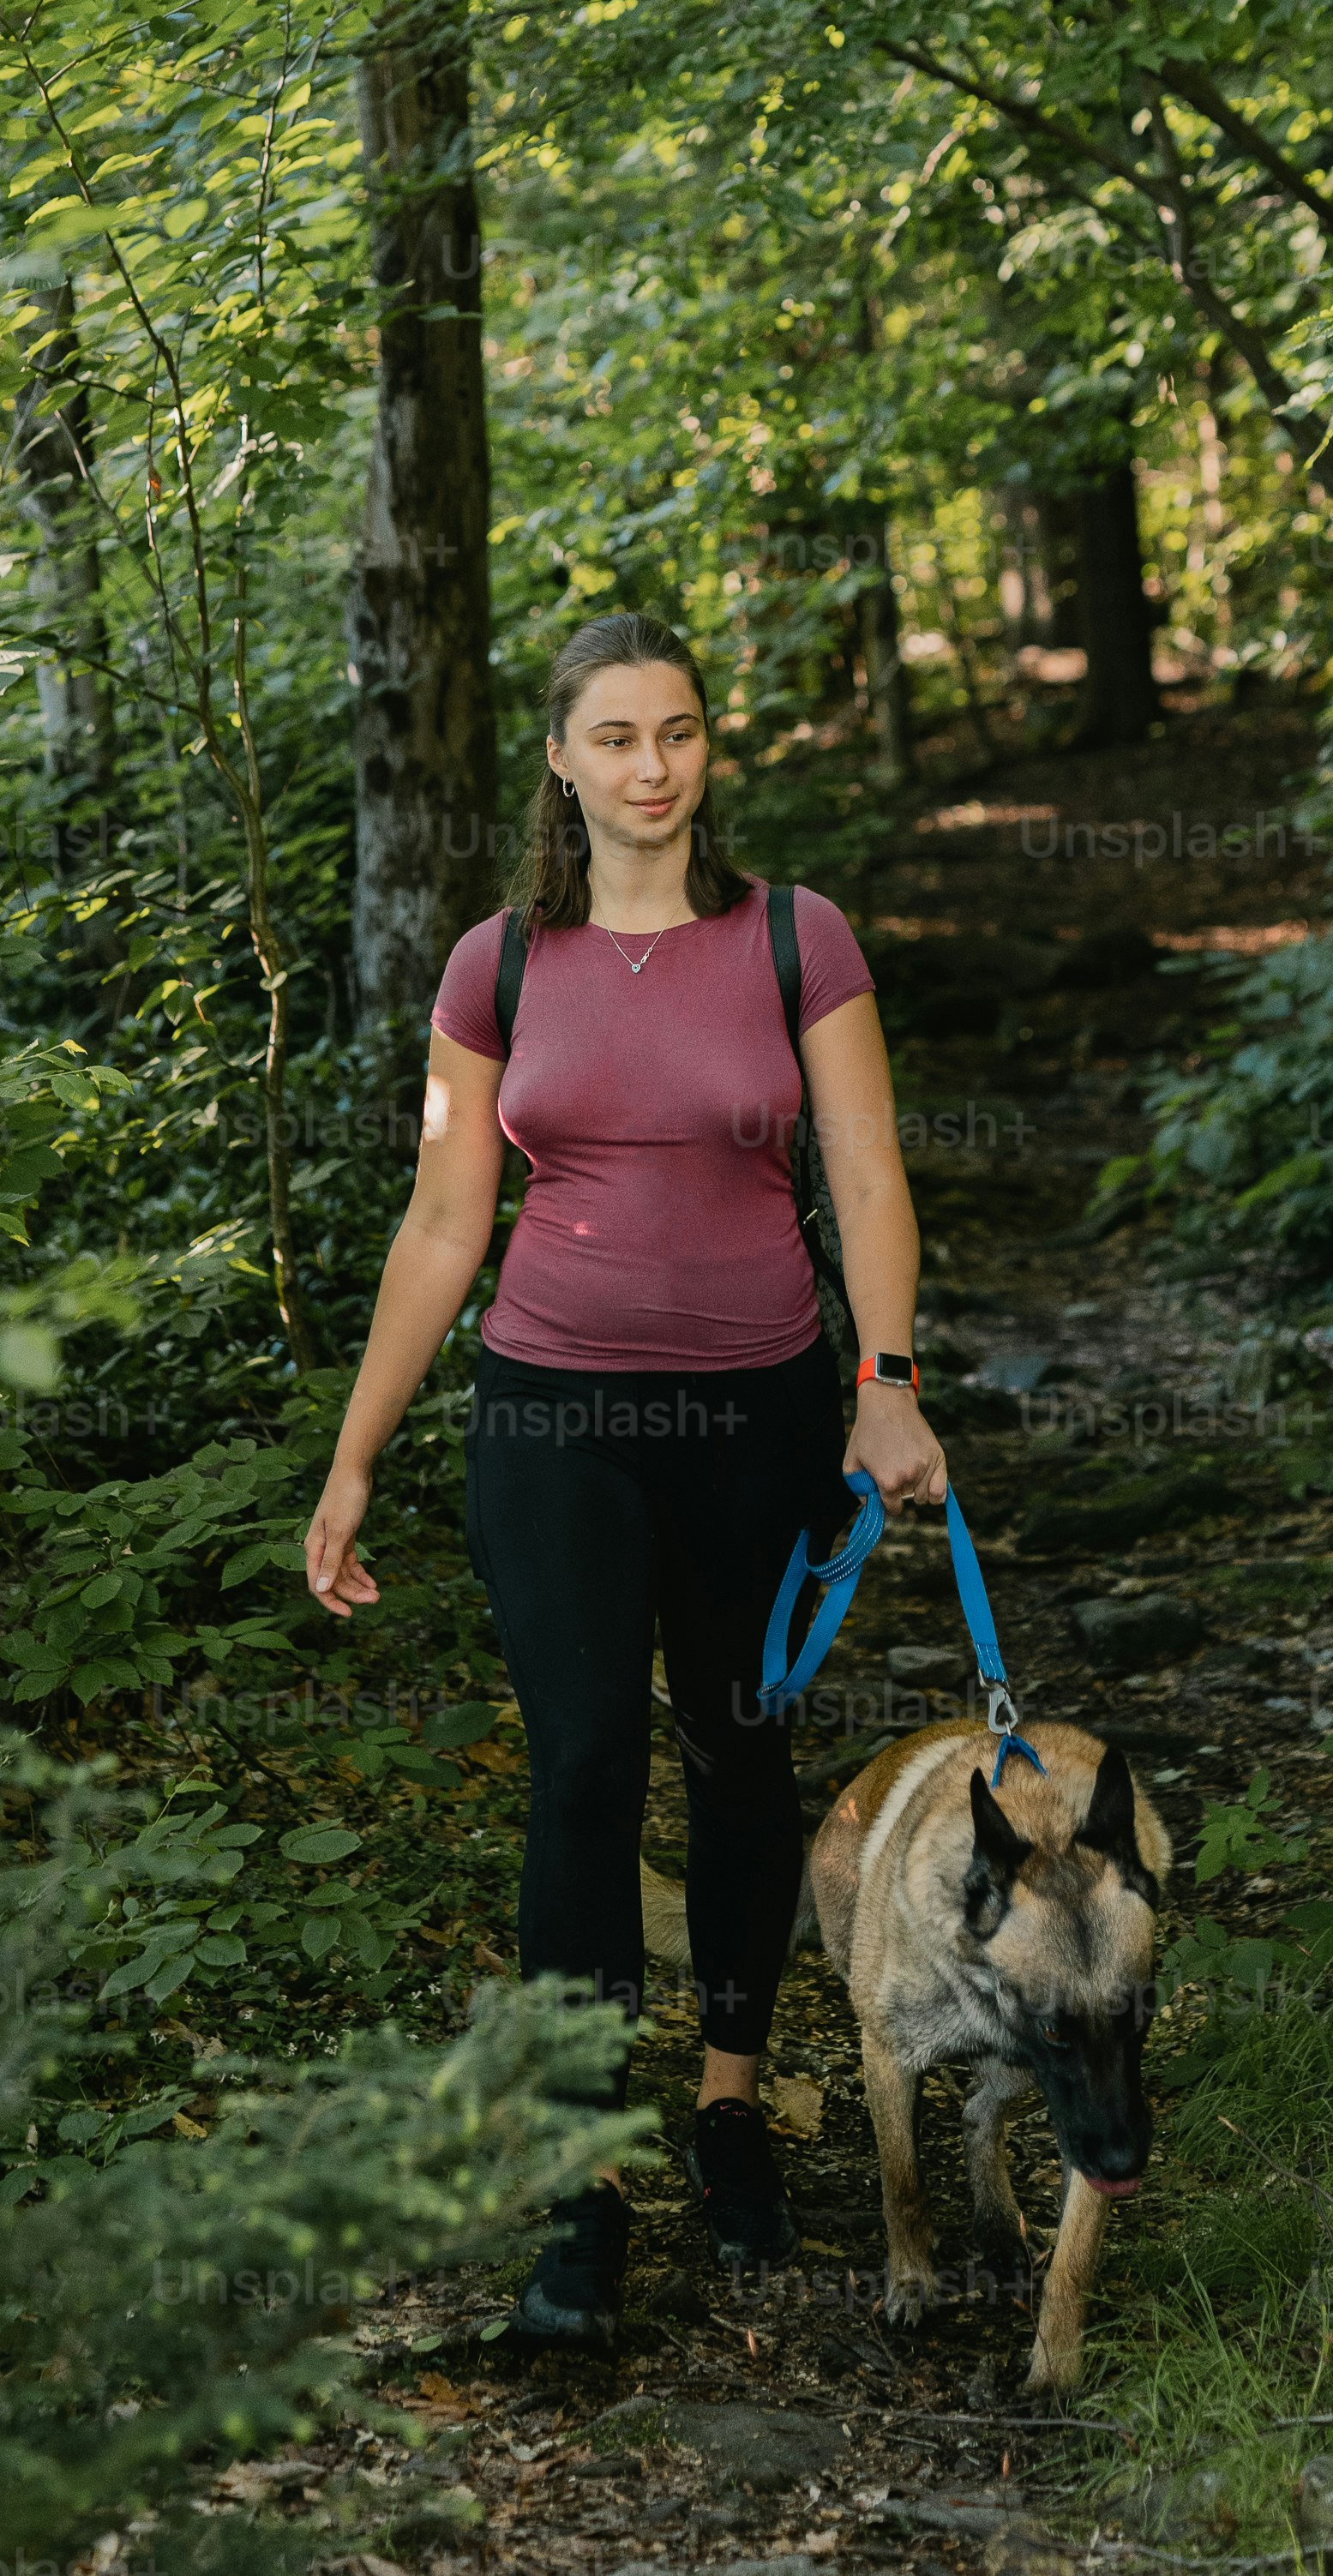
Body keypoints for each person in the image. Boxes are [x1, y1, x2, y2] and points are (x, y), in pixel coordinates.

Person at [303, 607, 947, 2347]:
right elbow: (445, 1220)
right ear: (560, 759)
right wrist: (356, 1455)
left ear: (707, 750)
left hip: (759, 1409)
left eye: (677, 734)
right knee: (582, 1764)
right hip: (552, 1415)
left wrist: (887, 1388)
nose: (650, 769)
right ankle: (580, 2174)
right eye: (616, 738)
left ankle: (730, 2106)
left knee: (741, 1751)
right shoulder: (494, 967)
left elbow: (869, 1176)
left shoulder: (797, 939)